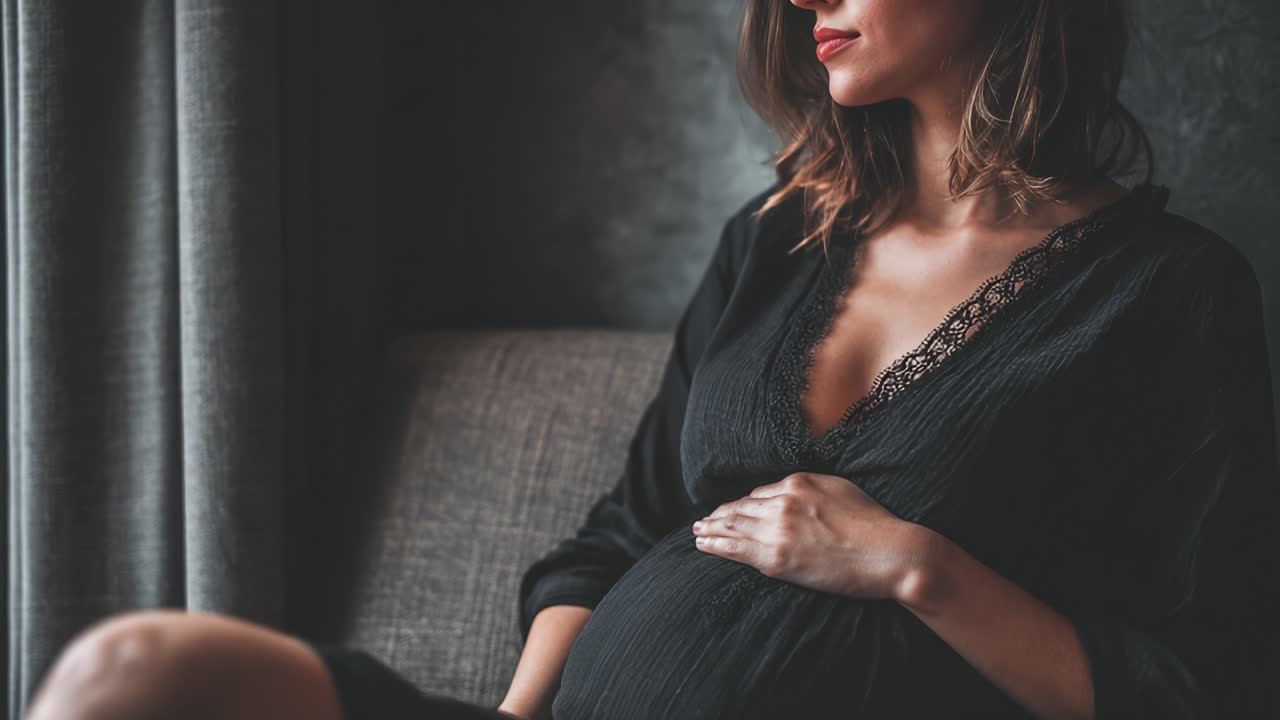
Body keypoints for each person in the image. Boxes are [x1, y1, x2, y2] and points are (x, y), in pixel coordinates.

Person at [24, 0, 1280, 718]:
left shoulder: (1166, 298)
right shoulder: (782, 239)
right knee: (131, 672)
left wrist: (914, 570)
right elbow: (622, 532)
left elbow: (1194, 688)